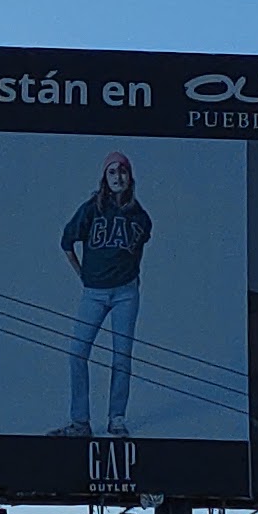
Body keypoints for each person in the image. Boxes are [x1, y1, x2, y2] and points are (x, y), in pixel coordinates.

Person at [55, 152, 151, 436]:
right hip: (94, 294)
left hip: (126, 294)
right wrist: (83, 274)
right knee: (77, 353)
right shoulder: (90, 210)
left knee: (121, 358)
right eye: (112, 172)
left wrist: (132, 284)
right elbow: (66, 242)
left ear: (129, 177)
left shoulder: (140, 217)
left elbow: (137, 256)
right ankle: (80, 422)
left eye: (122, 171)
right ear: (105, 178)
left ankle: (117, 418)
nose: (118, 177)